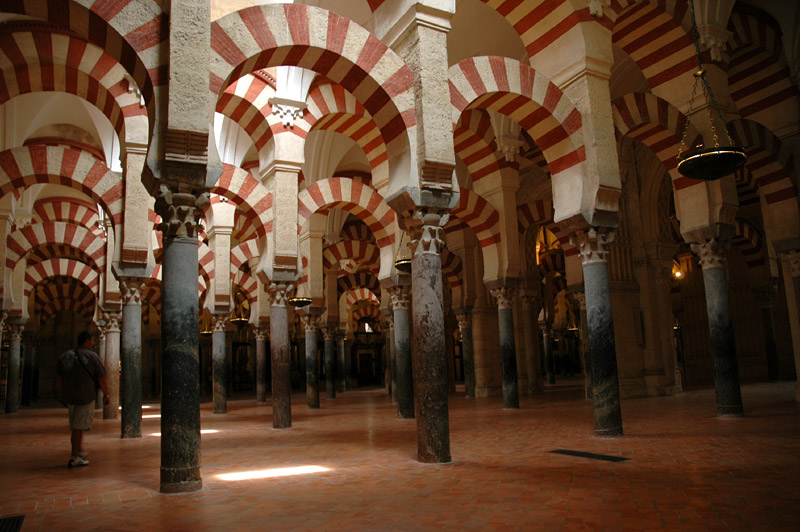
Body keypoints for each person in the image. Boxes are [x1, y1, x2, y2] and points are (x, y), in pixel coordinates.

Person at [56, 331, 110, 468]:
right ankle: (75, 457)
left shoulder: (66, 356)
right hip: (84, 396)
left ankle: (79, 450)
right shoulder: (91, 356)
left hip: (70, 397)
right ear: (86, 341)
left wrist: (63, 394)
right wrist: (107, 394)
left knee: (76, 425)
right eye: (92, 340)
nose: (93, 343)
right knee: (77, 427)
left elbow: (59, 378)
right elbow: (102, 378)